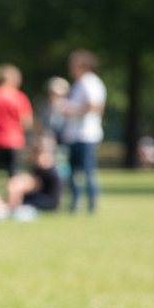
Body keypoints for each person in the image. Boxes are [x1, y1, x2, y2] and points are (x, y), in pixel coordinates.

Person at [54, 50, 106, 213]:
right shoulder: (79, 83)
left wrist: (70, 109)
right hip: (75, 135)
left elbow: (95, 107)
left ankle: (91, 206)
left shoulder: (91, 83)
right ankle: (74, 205)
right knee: (74, 173)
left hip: (86, 135)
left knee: (88, 172)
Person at [6, 137, 61, 211]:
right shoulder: (39, 168)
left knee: (25, 201)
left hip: (48, 200)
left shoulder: (46, 168)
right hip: (41, 196)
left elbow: (34, 185)